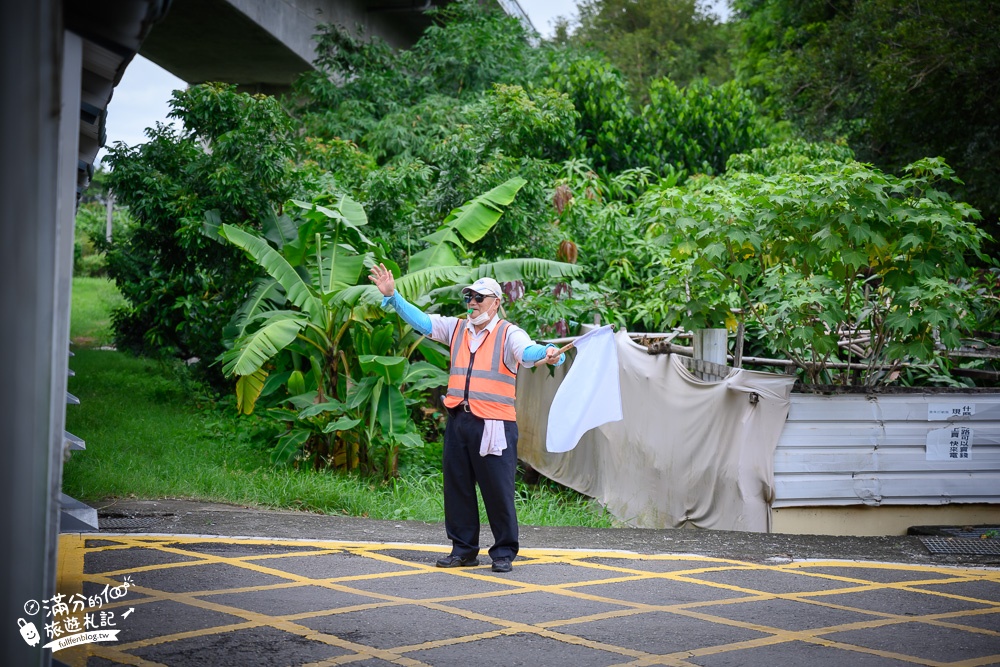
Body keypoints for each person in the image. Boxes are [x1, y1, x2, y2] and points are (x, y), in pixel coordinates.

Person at [369, 264, 564, 573]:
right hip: (460, 420)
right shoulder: (458, 328)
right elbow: (422, 321)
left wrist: (547, 351)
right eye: (469, 298)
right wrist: (394, 296)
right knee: (457, 486)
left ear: (497, 302)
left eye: (480, 298)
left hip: (494, 424)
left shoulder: (508, 333)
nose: (473, 303)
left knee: (497, 490)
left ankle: (502, 552)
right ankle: (464, 549)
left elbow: (527, 351)